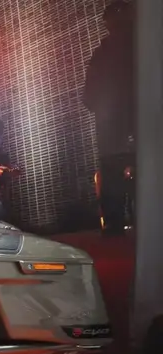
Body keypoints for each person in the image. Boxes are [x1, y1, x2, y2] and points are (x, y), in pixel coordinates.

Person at [83, 0, 136, 235]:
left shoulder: (101, 54)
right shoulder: (144, 49)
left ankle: (114, 227)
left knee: (113, 178)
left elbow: (88, 97)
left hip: (111, 130)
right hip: (138, 125)